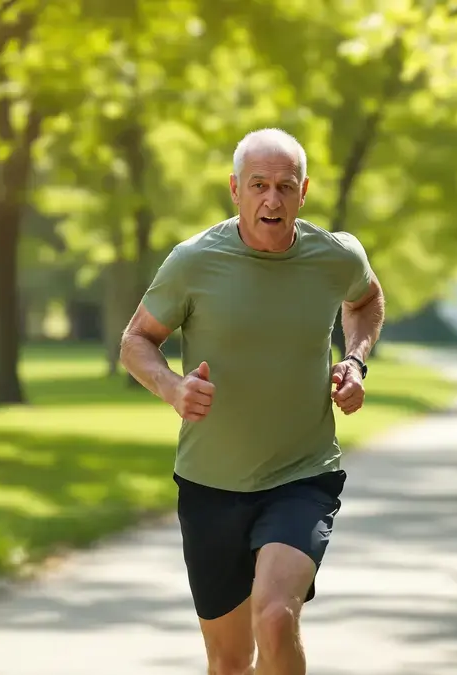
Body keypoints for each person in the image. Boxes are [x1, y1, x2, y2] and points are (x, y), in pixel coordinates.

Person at [119, 128, 385, 674]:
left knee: (276, 618)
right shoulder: (194, 261)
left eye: (285, 186)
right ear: (235, 189)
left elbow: (366, 299)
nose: (272, 199)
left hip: (302, 476)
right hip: (210, 485)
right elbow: (136, 340)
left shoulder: (334, 256)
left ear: (303, 192)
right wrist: (172, 388)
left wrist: (355, 361)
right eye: (258, 185)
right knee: (230, 661)